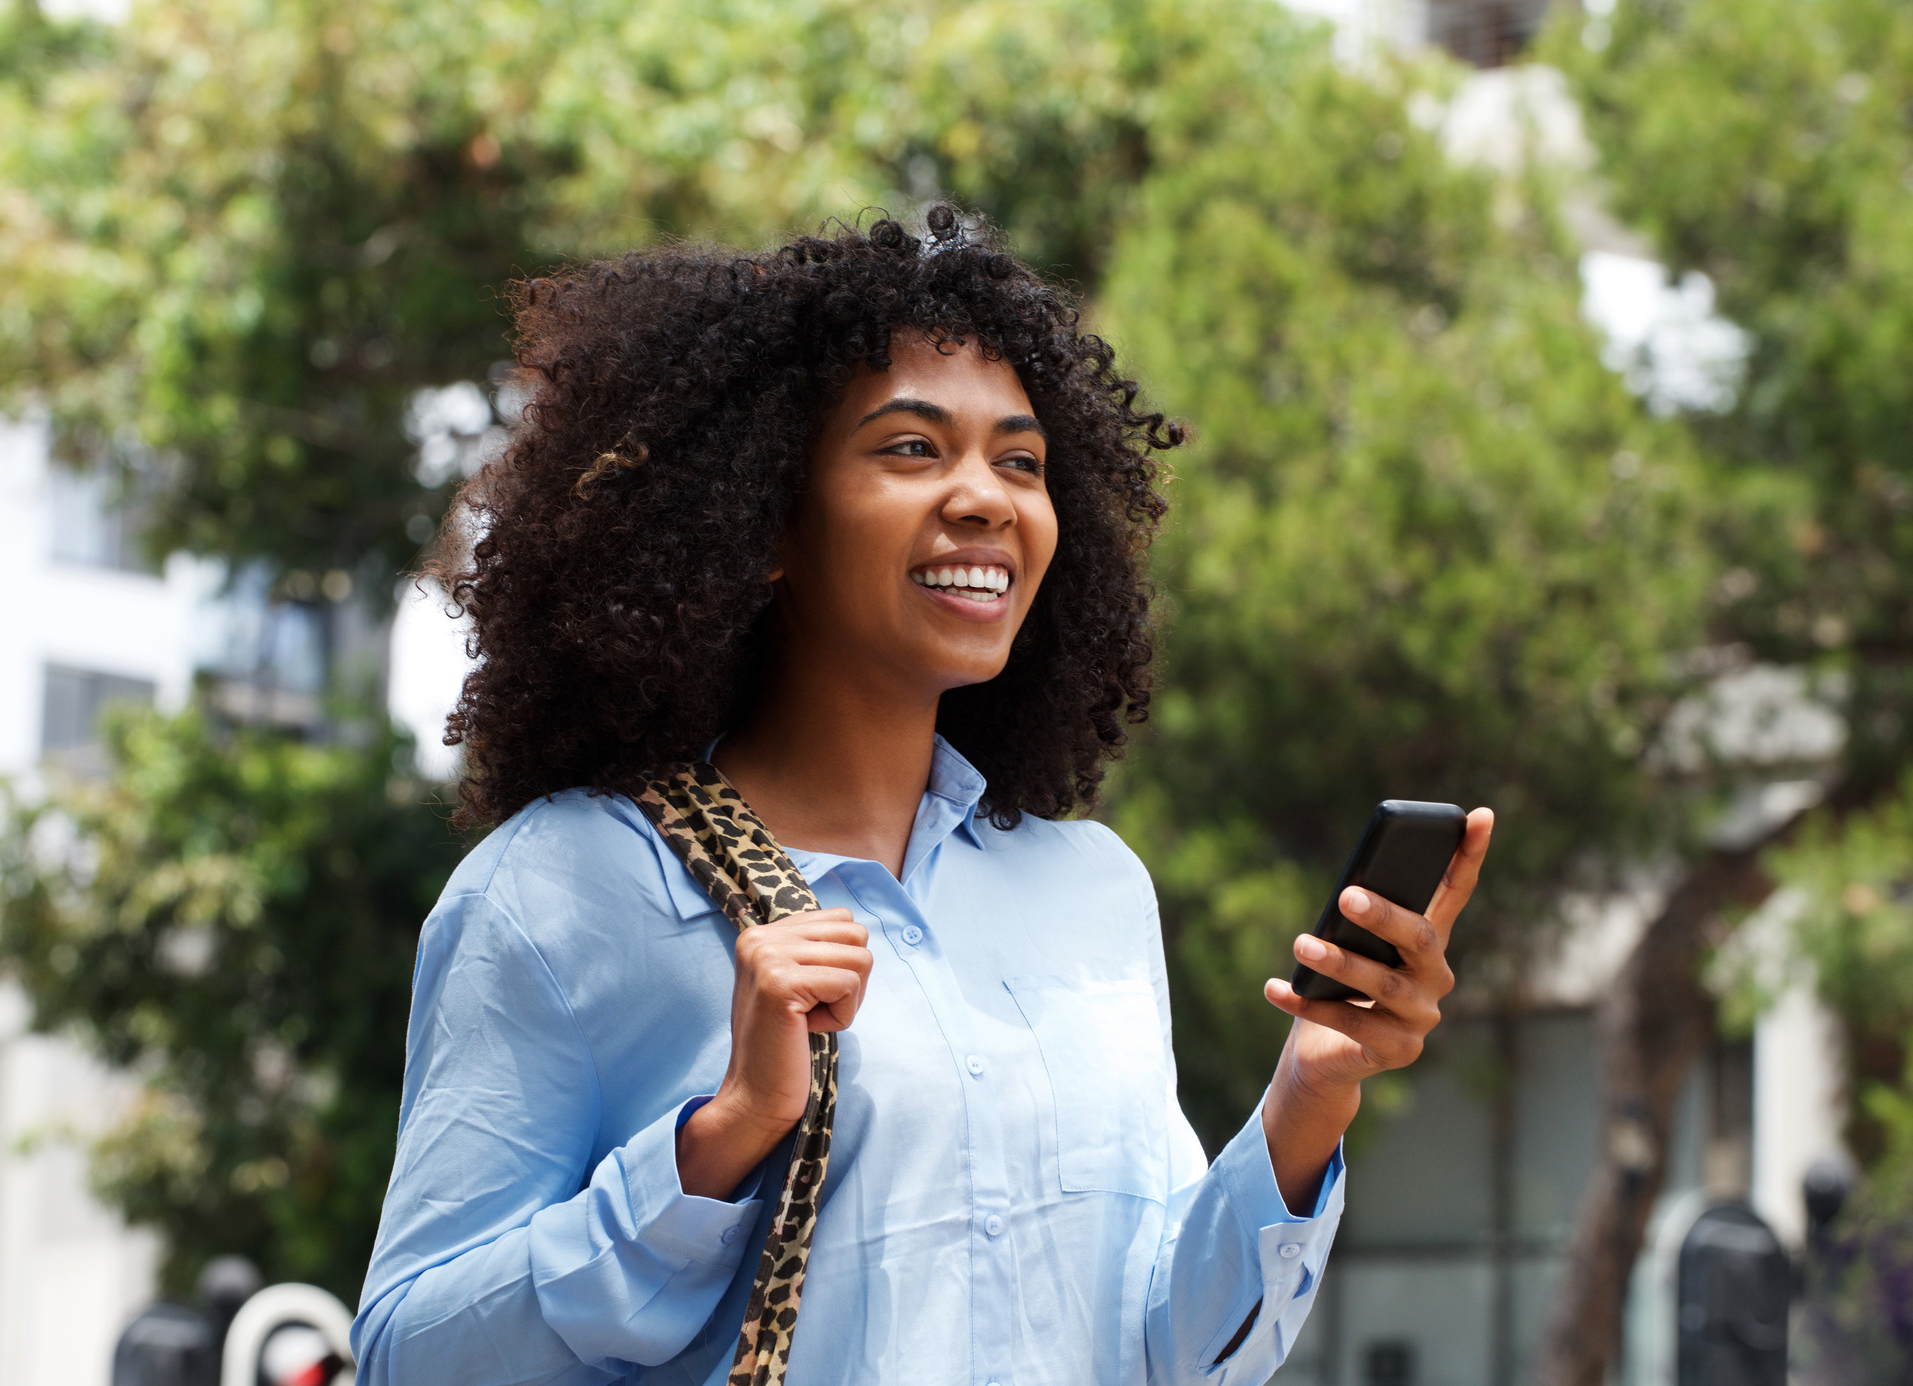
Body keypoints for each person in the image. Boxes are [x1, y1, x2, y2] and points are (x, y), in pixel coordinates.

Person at [353, 208, 1493, 1386]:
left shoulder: (1089, 889)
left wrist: (1308, 1096)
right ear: (766, 520)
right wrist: (721, 1137)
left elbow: (1160, 1345)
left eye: (1022, 460)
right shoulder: (560, 892)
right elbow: (408, 1355)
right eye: (910, 449)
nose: (986, 499)